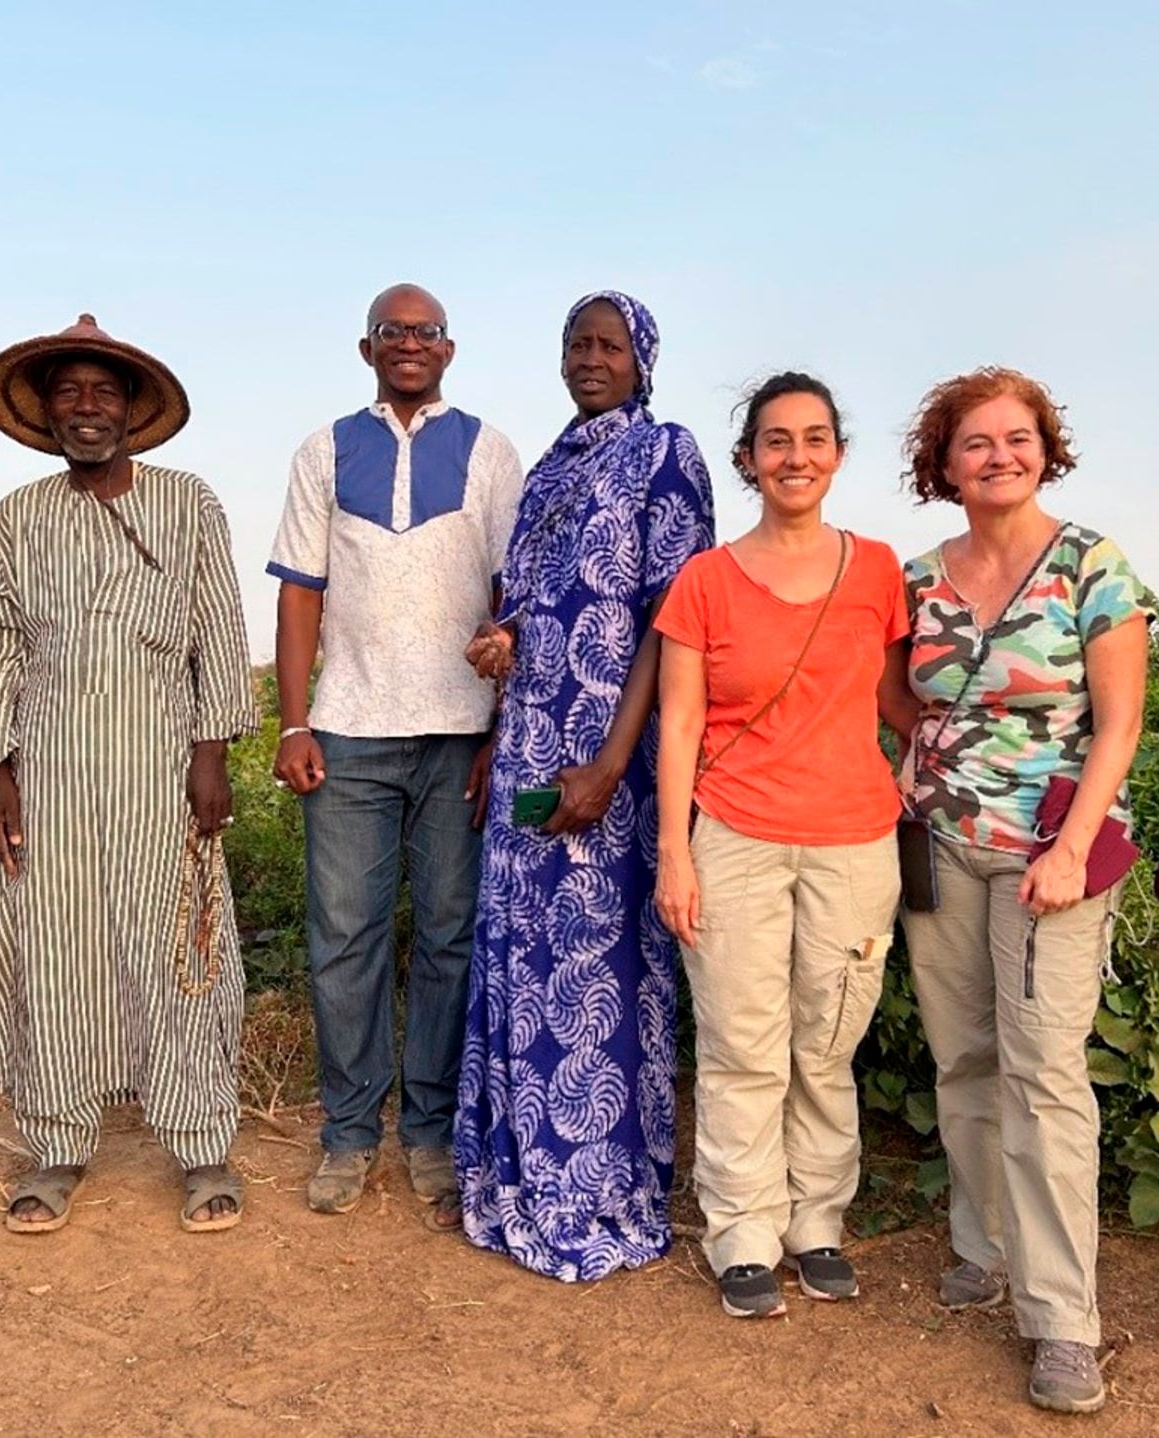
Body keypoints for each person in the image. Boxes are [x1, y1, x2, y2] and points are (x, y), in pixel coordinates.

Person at [895, 368, 1150, 1414]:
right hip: (942, 849)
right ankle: (981, 1245)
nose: (1000, 455)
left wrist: (1072, 846)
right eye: (975, 443)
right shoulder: (915, 579)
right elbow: (894, 704)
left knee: (1045, 1076)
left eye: (1017, 438)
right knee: (964, 1054)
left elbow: (1122, 722)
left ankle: (1062, 1318)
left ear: (1046, 447)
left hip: (1052, 855)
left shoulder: (1092, 563)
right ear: (943, 465)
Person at [0, 314, 257, 1236]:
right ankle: (57, 1142)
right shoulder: (20, 516)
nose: (86, 407)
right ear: (47, 412)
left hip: (161, 762)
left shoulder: (188, 502)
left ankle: (202, 1139)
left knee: (177, 947)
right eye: (68, 392)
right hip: (50, 766)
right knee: (58, 949)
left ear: (133, 410)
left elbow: (219, 628)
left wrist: (211, 752)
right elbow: (1, 645)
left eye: (104, 392)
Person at [449, 290, 715, 1280]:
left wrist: (610, 763)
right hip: (525, 743)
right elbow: (534, 600)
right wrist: (502, 645)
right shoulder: (552, 467)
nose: (590, 357)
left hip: (611, 757)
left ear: (642, 357)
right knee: (521, 958)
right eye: (577, 343)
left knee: (597, 967)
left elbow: (671, 617)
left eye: (609, 344)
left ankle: (598, 1188)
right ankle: (517, 1180)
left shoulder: (666, 455)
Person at [653, 372, 911, 1319]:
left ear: (837, 454)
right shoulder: (706, 582)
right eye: (775, 441)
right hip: (735, 838)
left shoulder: (879, 571)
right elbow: (677, 726)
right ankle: (744, 1229)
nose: (794, 457)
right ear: (750, 459)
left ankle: (818, 1221)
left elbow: (897, 703)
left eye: (812, 439)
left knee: (825, 1041)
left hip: (854, 839)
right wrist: (674, 856)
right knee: (739, 1043)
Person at [267, 283, 523, 1215]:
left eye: (426, 333)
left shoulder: (490, 449)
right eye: (392, 332)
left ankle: (429, 1131)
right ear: (367, 349)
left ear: (449, 349)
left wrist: (501, 722)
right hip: (348, 730)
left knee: (451, 936)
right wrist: (293, 722)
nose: (410, 344)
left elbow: (514, 594)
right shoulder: (327, 447)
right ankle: (346, 1133)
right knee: (345, 939)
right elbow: (301, 592)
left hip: (458, 733)